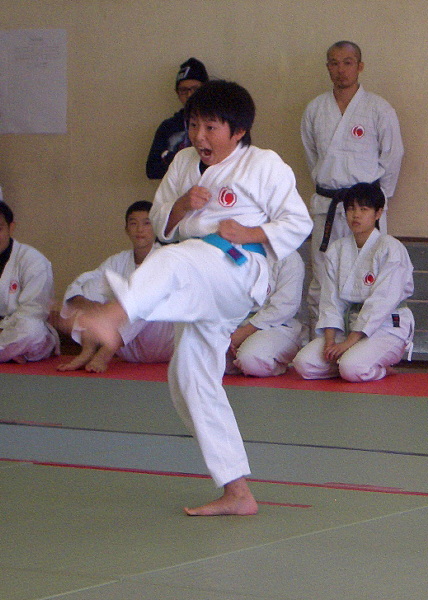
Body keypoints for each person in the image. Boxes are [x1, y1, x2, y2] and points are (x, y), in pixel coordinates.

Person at [78, 80, 313, 516]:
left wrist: (251, 232)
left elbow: (298, 223)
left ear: (238, 131)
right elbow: (161, 223)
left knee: (176, 261)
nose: (199, 137)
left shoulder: (264, 165)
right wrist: (183, 206)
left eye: (211, 127)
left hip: (237, 267)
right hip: (202, 279)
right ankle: (237, 490)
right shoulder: (184, 162)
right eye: (193, 125)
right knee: (188, 376)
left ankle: (115, 316)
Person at [301, 40, 404, 319]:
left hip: (366, 205)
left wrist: (376, 201)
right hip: (329, 204)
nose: (340, 69)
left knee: (370, 272)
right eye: (334, 63)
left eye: (347, 62)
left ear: (360, 67)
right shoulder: (314, 110)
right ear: (327, 67)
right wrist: (330, 182)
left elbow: (393, 156)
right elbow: (314, 158)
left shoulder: (378, 109)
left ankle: (364, 341)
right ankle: (320, 343)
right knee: (323, 276)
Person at [293, 182, 414, 382]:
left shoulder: (391, 248)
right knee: (304, 364)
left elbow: (381, 302)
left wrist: (348, 344)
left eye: (364, 209)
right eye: (351, 209)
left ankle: (378, 369)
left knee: (352, 368)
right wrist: (330, 342)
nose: (355, 215)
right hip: (347, 326)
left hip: (386, 327)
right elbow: (330, 300)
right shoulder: (337, 249)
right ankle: (347, 362)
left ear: (378, 213)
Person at [54, 201, 174, 372]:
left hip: (160, 344)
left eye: (146, 223)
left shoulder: (166, 258)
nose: (139, 229)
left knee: (142, 298)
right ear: (126, 229)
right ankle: (88, 349)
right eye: (133, 223)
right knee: (91, 285)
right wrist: (88, 304)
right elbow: (85, 283)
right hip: (127, 350)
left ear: (156, 227)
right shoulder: (118, 261)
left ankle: (104, 355)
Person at [227, 250, 305, 377]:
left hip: (277, 327)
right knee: (202, 359)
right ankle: (237, 361)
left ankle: (275, 363)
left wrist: (243, 333)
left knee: (250, 360)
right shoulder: (231, 251)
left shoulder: (288, 256)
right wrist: (225, 333)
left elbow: (284, 307)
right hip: (233, 325)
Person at [0, 201, 59, 363]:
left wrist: (2, 328)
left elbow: (34, 312)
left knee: (31, 330)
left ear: (11, 228)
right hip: (6, 336)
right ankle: (10, 353)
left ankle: (11, 350)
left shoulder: (33, 261)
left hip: (19, 328)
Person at [146, 57, 209, 179]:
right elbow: (152, 170)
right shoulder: (168, 126)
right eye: (183, 90)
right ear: (177, 93)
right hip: (177, 193)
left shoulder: (219, 124)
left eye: (195, 89)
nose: (189, 95)